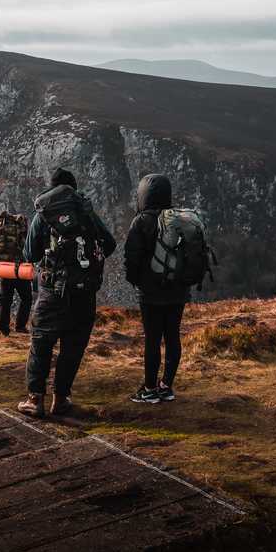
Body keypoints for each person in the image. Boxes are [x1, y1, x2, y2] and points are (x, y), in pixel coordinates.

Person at [17, 168, 116, 418]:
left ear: (51, 188)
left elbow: (30, 255)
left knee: (41, 343)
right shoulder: (85, 211)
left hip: (52, 291)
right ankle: (61, 399)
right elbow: (110, 244)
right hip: (84, 292)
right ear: (73, 187)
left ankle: (35, 399)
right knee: (73, 347)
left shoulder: (44, 214)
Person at [123, 173, 189, 404]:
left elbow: (131, 257)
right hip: (178, 291)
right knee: (173, 337)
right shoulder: (180, 219)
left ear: (143, 194)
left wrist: (137, 281)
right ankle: (166, 386)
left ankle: (150, 389)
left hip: (150, 294)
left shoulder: (141, 221)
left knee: (152, 339)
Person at [0, 211, 31, 335]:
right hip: (19, 268)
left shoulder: (0, 225)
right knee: (26, 298)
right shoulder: (22, 225)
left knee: (5, 299)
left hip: (4, 268)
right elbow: (27, 247)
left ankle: (4, 329)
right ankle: (20, 326)